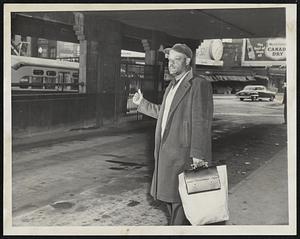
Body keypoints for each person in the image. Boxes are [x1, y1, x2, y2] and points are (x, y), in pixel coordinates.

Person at [133, 43, 213, 225]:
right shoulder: (172, 86)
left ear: (187, 61)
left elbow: (202, 121)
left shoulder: (198, 84)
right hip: (167, 153)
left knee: (181, 201)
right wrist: (142, 103)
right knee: (171, 199)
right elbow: (164, 113)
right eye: (170, 60)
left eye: (177, 60)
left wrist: (198, 155)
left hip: (183, 153)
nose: (172, 64)